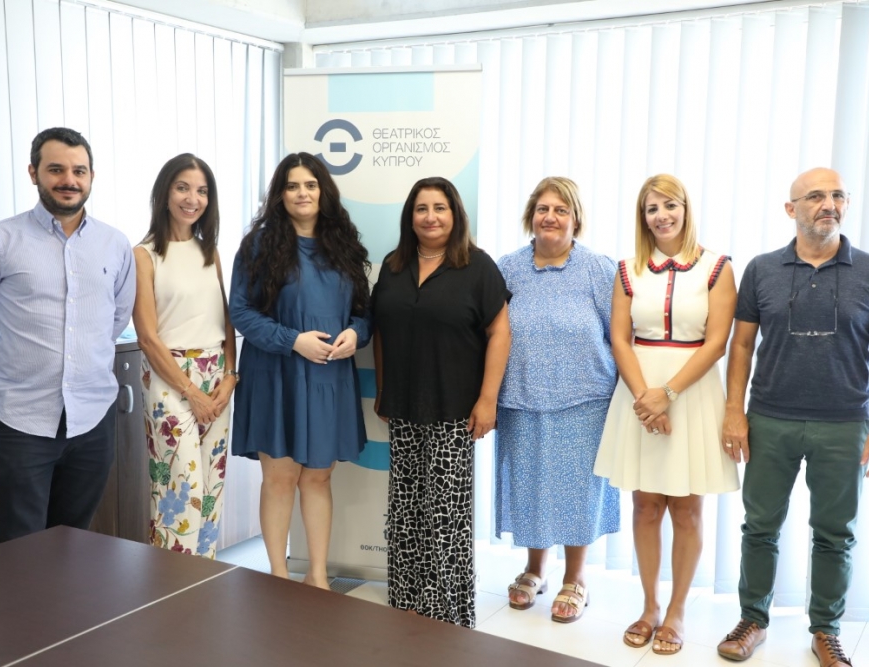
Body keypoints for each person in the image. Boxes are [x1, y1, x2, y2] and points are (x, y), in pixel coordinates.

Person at [716, 168, 869, 667]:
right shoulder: (761, 269)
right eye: (816, 196)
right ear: (791, 208)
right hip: (770, 418)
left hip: (844, 423)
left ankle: (826, 630)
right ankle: (752, 620)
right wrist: (734, 410)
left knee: (834, 534)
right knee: (760, 526)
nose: (829, 204)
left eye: (838, 195)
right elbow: (741, 345)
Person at [0, 127, 136, 544]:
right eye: (56, 169)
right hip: (22, 418)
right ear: (33, 173)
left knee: (74, 540)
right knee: (20, 543)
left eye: (79, 171)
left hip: (93, 417)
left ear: (91, 176)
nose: (69, 180)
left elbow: (116, 317)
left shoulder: (115, 244)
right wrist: (11, 359)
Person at [594, 173, 739, 655]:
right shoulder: (628, 269)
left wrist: (668, 394)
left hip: (692, 394)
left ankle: (677, 611)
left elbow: (717, 342)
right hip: (638, 394)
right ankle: (650, 606)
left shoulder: (717, 267)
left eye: (669, 205)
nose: (662, 215)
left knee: (687, 509)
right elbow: (620, 338)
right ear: (643, 217)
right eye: (652, 208)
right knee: (645, 505)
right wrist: (645, 398)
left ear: (685, 208)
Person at [372, 176, 511, 628]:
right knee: (406, 509)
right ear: (409, 217)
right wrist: (384, 389)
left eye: (440, 208)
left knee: (446, 515)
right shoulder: (393, 266)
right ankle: (406, 601)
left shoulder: (477, 266)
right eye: (421, 209)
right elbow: (381, 331)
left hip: (455, 407)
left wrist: (488, 400)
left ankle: (447, 613)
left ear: (455, 215)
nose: (430, 217)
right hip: (404, 405)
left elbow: (500, 332)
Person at [229, 152, 371, 588]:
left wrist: (356, 334)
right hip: (276, 375)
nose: (302, 193)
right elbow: (241, 311)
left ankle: (317, 577)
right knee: (280, 476)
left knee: (318, 476)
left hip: (329, 376)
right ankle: (277, 576)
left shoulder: (344, 246)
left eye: (310, 184)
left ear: (324, 190)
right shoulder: (258, 246)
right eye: (292, 186)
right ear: (280, 194)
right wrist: (292, 340)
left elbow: (364, 313)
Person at [495, 177, 620, 624]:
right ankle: (535, 569)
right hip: (522, 396)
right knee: (530, 485)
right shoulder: (507, 269)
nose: (551, 217)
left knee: (577, 491)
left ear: (576, 219)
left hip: (584, 400)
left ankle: (576, 577)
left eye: (561, 210)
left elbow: (620, 337)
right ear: (531, 216)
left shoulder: (598, 269)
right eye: (543, 209)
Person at [133, 154, 237, 559]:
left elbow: (226, 320)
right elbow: (147, 336)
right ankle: (169, 581)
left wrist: (230, 377)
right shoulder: (143, 254)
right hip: (170, 378)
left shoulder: (210, 252)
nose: (193, 199)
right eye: (183, 188)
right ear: (165, 193)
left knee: (211, 486)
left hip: (216, 375)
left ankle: (203, 577)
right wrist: (191, 392)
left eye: (202, 191)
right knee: (180, 485)